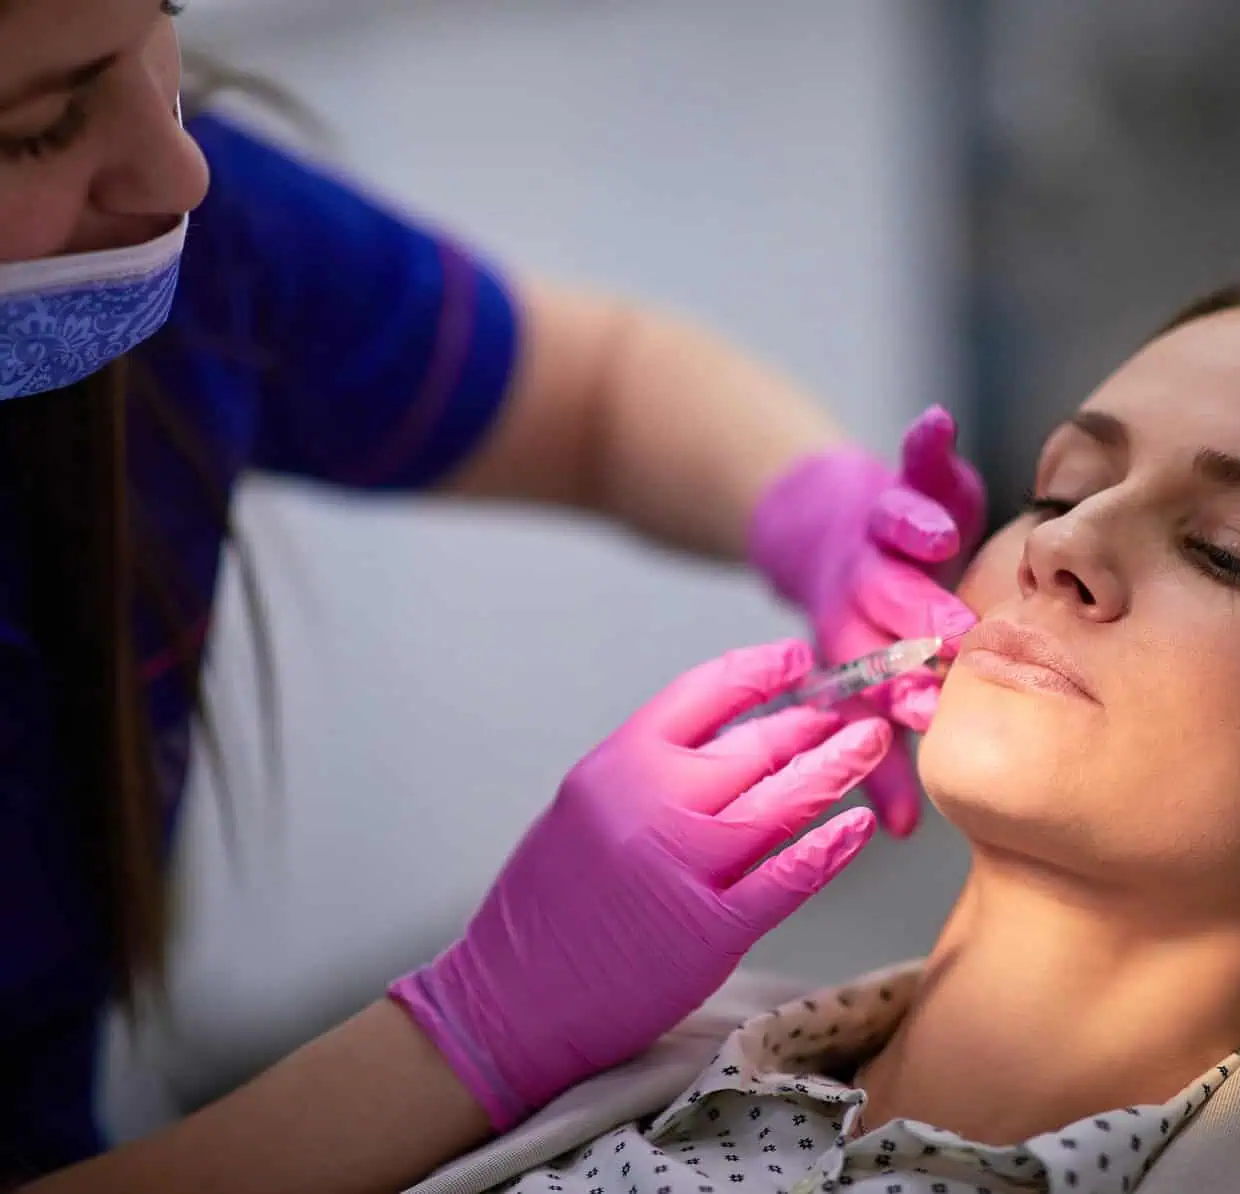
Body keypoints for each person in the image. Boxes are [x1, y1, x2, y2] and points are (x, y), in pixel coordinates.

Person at [0, 2, 985, 1188]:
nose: (182, 171)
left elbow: (601, 395)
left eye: (158, 18)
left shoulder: (205, 242)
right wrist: (471, 1029)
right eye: (39, 128)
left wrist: (818, 516)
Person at [393, 274, 1240, 1194]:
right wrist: (463, 1035)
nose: (1058, 547)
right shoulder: (624, 1052)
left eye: (1228, 549)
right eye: (1060, 489)